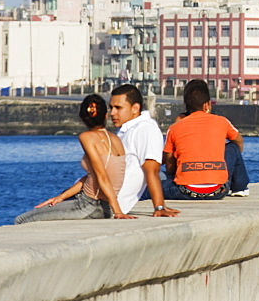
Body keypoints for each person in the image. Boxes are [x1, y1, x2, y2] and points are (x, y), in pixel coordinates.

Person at [16, 95, 133, 223]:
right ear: (106, 115)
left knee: (21, 220)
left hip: (89, 205)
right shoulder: (116, 139)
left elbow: (102, 176)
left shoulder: (87, 137)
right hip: (103, 206)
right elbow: (95, 175)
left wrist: (118, 212)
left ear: (82, 117)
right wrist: (61, 197)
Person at [163, 80, 249, 200]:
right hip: (218, 191)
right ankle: (239, 187)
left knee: (154, 184)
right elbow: (239, 141)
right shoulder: (222, 121)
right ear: (206, 105)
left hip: (185, 191)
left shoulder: (174, 128)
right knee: (233, 147)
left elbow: (170, 168)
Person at [108, 84, 180, 216]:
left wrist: (159, 207)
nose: (112, 113)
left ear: (135, 108)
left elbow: (152, 170)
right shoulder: (127, 130)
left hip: (104, 204)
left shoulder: (146, 129)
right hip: (96, 196)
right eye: (111, 108)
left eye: (118, 108)